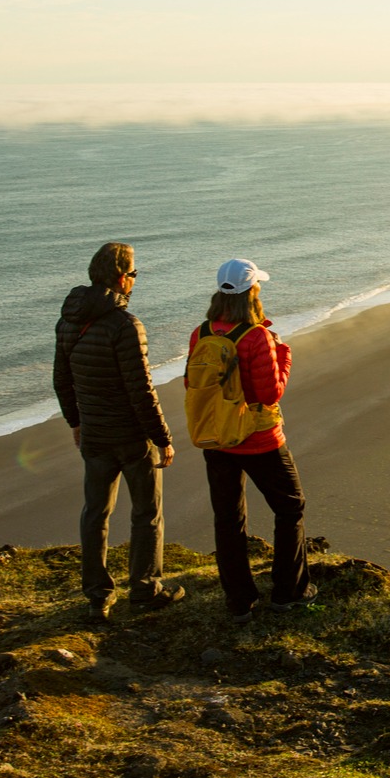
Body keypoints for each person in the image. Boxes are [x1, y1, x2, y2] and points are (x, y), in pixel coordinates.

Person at [53, 241, 185, 622]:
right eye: (134, 274)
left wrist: (76, 423)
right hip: (130, 437)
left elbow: (62, 380)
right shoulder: (126, 325)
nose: (135, 282)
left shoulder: (68, 322)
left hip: (94, 435)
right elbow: (141, 388)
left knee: (95, 513)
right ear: (121, 277)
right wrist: (163, 437)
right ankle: (145, 590)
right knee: (147, 513)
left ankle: (97, 597)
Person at [186, 257, 315, 622]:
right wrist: (283, 354)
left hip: (217, 439)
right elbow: (269, 393)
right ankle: (290, 591)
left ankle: (239, 601)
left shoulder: (202, 333)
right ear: (252, 290)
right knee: (290, 507)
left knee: (228, 519)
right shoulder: (257, 336)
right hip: (258, 439)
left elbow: (192, 385)